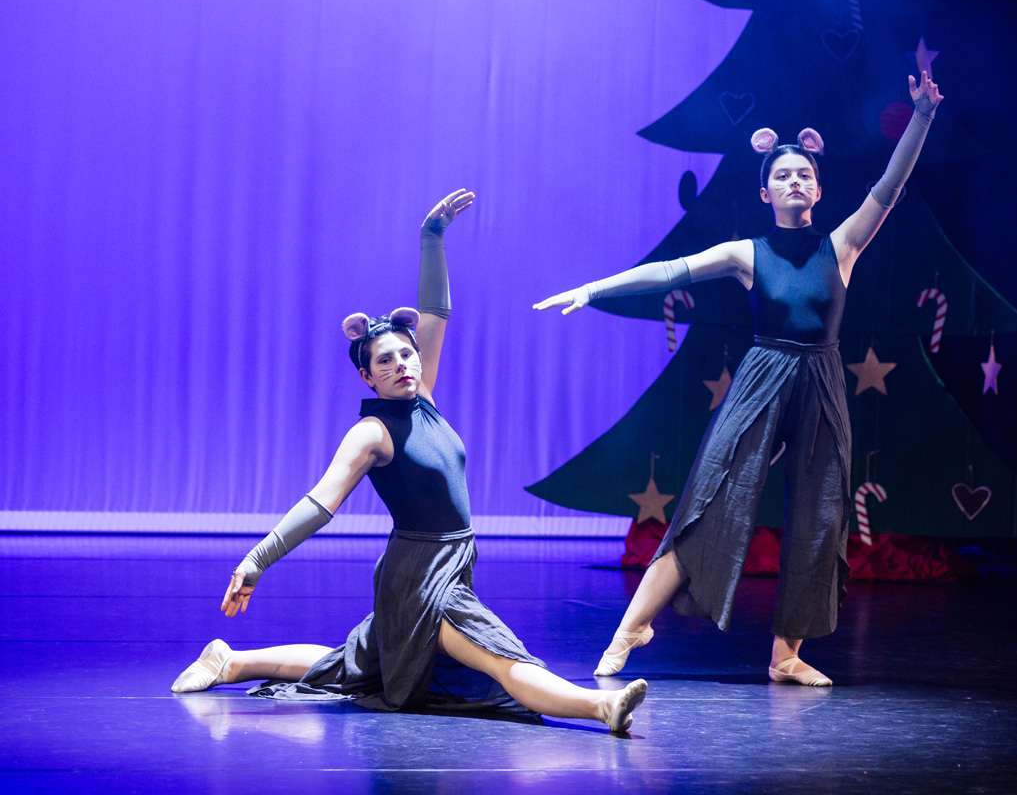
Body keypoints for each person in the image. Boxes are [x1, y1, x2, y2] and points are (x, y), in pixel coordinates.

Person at [172, 190, 647, 734]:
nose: (401, 364)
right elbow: (320, 503)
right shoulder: (371, 433)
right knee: (499, 656)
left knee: (359, 666)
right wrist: (256, 560)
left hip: (449, 562)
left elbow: (435, 314)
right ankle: (602, 708)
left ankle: (229, 661)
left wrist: (432, 238)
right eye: (385, 361)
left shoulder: (425, 399)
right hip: (420, 578)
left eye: (407, 353)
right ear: (366, 377)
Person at [534, 72, 944, 686]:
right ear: (764, 192)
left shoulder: (843, 245)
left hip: (822, 378)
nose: (794, 180)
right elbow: (670, 271)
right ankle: (631, 629)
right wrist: (593, 289)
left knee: (820, 515)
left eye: (804, 174)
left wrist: (922, 117)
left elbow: (890, 186)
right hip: (762, 376)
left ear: (819, 188)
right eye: (782, 175)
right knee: (706, 500)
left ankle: (786, 655)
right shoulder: (747, 253)